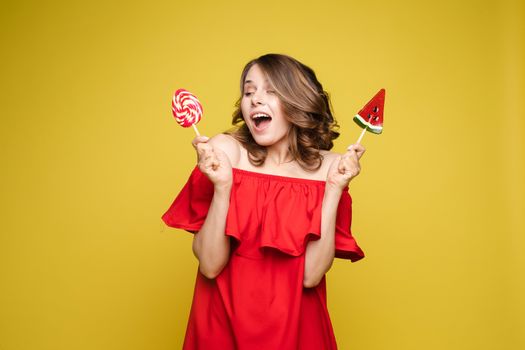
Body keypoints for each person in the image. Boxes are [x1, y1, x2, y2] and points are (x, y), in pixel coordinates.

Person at [162, 53, 366, 350]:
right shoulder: (224, 153)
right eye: (248, 91)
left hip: (299, 332)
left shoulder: (332, 168)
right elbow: (209, 265)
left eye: (270, 91)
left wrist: (334, 189)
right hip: (221, 328)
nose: (255, 99)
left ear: (297, 102)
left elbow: (310, 276)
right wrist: (223, 187)